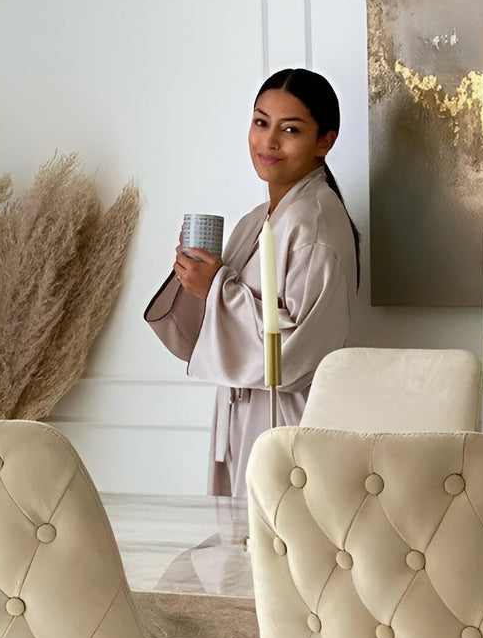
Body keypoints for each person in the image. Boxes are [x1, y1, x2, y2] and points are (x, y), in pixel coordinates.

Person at [145, 68, 360, 496]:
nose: (269, 141)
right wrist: (199, 276)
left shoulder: (313, 223)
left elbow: (299, 347)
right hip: (247, 414)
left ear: (325, 141)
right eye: (261, 122)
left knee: (274, 547)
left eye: (290, 129)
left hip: (286, 420)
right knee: (240, 553)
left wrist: (217, 288)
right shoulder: (255, 220)